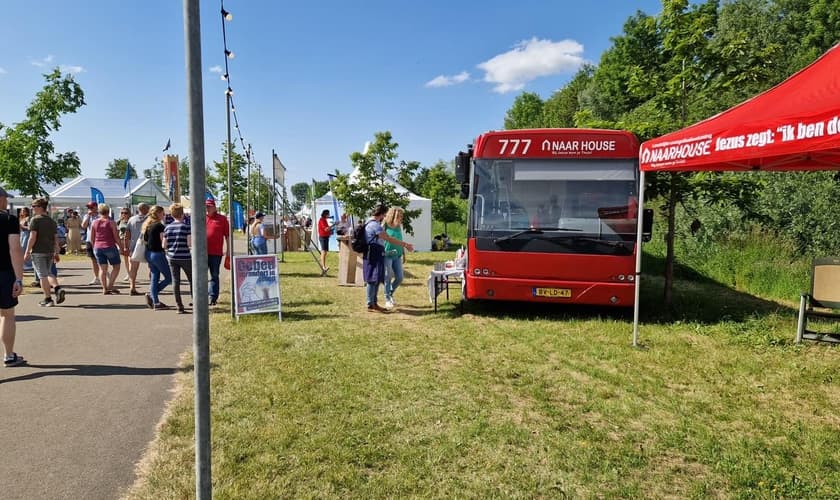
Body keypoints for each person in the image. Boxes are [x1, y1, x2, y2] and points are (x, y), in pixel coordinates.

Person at [362, 204, 413, 312]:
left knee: (375, 279)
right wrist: (405, 245)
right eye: (384, 214)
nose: (384, 216)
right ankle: (372, 303)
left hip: (379, 254)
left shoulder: (371, 222)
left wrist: (403, 250)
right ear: (381, 214)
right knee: (375, 279)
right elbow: (388, 239)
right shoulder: (376, 225)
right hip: (377, 254)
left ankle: (373, 303)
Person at [0, 187, 26, 367]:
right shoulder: (9, 219)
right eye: (5, 198)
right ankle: (9, 355)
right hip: (4, 273)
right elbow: (15, 249)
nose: (7, 201)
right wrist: (19, 278)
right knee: (7, 314)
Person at [23, 198, 66, 307]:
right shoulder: (51, 221)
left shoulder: (35, 220)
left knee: (42, 275)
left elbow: (32, 237)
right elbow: (56, 237)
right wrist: (56, 251)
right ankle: (57, 288)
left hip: (38, 251)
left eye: (34, 206)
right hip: (49, 250)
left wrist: (27, 251)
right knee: (49, 273)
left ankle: (48, 298)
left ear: (40, 207)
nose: (32, 208)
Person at [163, 203, 192, 314]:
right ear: (182, 214)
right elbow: (189, 243)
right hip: (185, 257)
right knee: (191, 279)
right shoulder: (186, 227)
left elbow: (163, 245)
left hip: (172, 257)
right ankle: (195, 301)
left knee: (176, 281)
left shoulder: (168, 228)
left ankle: (179, 306)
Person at [142, 205, 171, 310]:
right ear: (158, 213)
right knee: (169, 277)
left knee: (155, 277)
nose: (164, 215)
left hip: (149, 253)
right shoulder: (159, 226)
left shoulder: (147, 225)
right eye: (163, 213)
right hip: (157, 254)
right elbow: (163, 241)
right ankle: (152, 295)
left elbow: (145, 241)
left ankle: (156, 302)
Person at [90, 203, 124, 295]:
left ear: (99, 212)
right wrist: (121, 248)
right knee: (116, 266)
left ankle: (104, 288)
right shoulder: (111, 222)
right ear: (108, 211)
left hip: (98, 247)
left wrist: (94, 247)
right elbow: (116, 237)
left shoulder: (94, 222)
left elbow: (92, 238)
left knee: (102, 269)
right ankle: (110, 285)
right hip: (109, 246)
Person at [382, 206, 407, 309]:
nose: (401, 218)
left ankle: (390, 293)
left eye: (401, 216)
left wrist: (404, 253)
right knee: (388, 276)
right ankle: (387, 298)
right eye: (399, 216)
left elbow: (400, 239)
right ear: (393, 215)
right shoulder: (385, 225)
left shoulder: (398, 226)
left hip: (397, 254)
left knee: (400, 277)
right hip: (387, 254)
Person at [205, 198, 229, 306]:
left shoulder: (222, 219)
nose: (207, 208)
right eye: (206, 206)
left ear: (214, 207)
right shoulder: (201, 217)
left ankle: (213, 297)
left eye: (209, 206)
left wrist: (228, 250)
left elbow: (227, 236)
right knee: (200, 275)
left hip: (216, 253)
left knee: (214, 274)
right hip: (202, 253)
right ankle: (201, 296)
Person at [127, 203, 149, 296]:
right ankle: (152, 287)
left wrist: (126, 246)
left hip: (134, 246)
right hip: (147, 245)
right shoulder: (150, 219)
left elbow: (127, 234)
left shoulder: (131, 219)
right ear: (147, 209)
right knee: (151, 267)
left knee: (133, 268)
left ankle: (132, 286)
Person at [80, 201, 101, 285]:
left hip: (99, 240)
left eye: (91, 207)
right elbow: (83, 226)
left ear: (96, 207)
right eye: (88, 207)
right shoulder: (87, 216)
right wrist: (88, 216)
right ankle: (96, 277)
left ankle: (104, 272)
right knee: (93, 259)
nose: (90, 209)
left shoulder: (100, 216)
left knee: (100, 259)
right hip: (89, 240)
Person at [117, 207, 131, 281]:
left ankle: (132, 273)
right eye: (122, 213)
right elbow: (117, 231)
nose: (124, 214)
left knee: (130, 259)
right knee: (125, 259)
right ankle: (128, 274)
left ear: (129, 214)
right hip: (122, 241)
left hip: (129, 241)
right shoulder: (119, 221)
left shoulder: (131, 221)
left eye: (125, 213)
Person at [317, 209, 332, 273]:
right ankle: (323, 266)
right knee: (323, 252)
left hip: (325, 237)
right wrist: (333, 225)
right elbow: (326, 229)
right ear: (325, 214)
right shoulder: (322, 220)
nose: (329, 215)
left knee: (325, 252)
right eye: (328, 214)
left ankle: (324, 266)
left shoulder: (324, 220)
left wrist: (330, 231)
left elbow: (327, 229)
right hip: (323, 237)